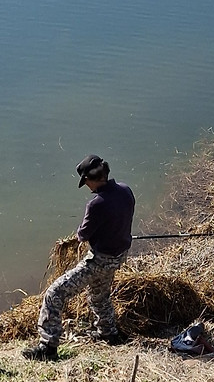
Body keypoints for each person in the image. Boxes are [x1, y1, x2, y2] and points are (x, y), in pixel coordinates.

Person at [24, 154, 135, 360]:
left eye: (86, 182)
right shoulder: (125, 191)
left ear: (92, 179)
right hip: (118, 258)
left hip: (99, 261)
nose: (87, 187)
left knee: (54, 294)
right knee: (99, 295)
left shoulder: (96, 204)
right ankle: (108, 333)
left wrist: (76, 236)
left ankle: (47, 346)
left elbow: (83, 235)